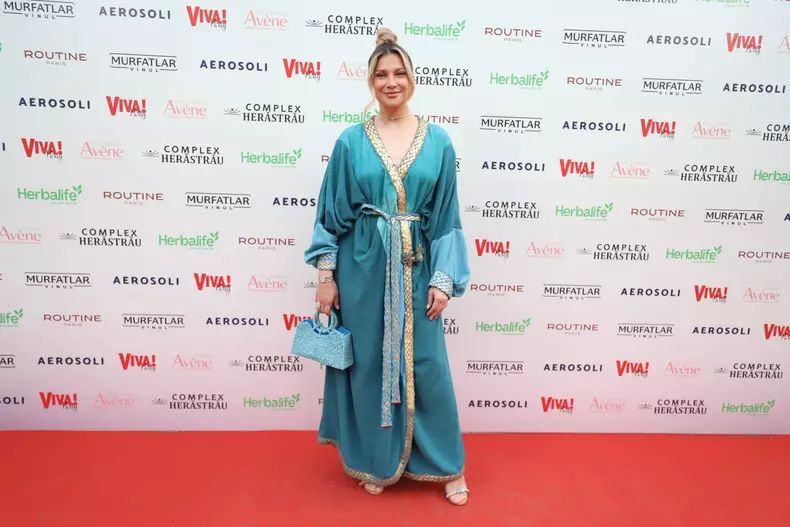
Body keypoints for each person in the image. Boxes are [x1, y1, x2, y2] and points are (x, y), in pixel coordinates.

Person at [304, 27, 471, 506]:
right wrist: (326, 277)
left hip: (415, 267)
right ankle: (378, 460)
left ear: (413, 77)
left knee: (427, 366)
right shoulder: (350, 141)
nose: (391, 82)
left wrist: (444, 278)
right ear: (370, 81)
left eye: (399, 73)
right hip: (362, 269)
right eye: (381, 74)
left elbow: (446, 218)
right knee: (371, 365)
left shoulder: (438, 141)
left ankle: (446, 464)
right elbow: (331, 214)